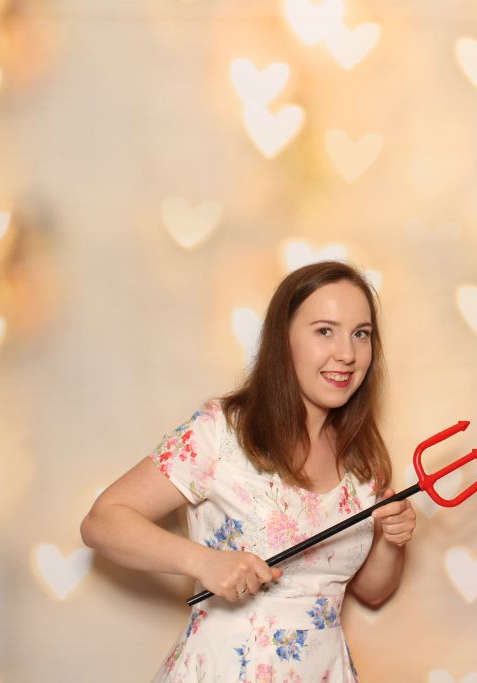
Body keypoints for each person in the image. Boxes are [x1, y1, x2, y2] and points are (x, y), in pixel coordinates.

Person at [81, 261, 416, 682]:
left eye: (360, 334)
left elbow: (372, 591)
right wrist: (203, 562)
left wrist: (391, 541)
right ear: (282, 339)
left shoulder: (362, 458)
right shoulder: (220, 432)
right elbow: (102, 522)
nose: (347, 354)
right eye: (324, 331)